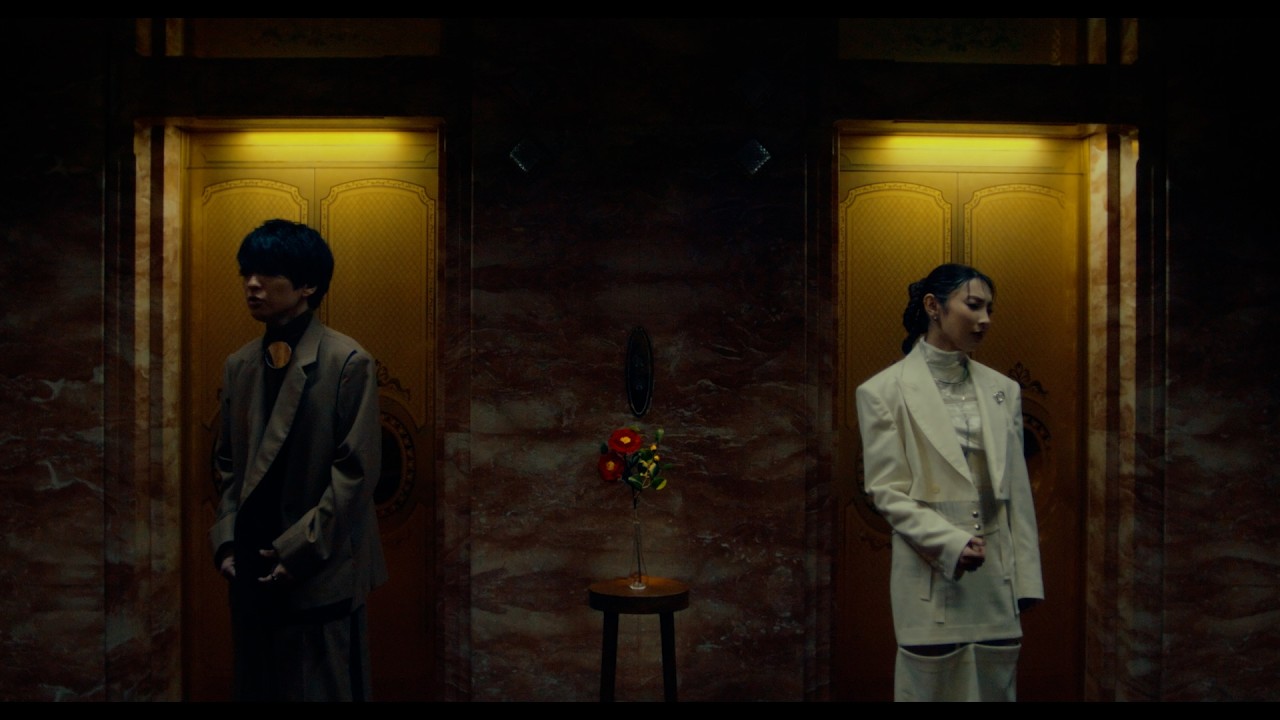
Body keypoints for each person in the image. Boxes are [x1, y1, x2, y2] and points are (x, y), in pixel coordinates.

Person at [209, 219, 387, 701]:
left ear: (307, 285)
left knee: (319, 687)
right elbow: (227, 463)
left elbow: (356, 472)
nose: (252, 284)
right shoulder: (240, 364)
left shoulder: (347, 361)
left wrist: (300, 551)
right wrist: (226, 542)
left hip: (320, 566)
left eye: (267, 273)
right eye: (247, 272)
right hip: (250, 566)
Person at [855, 263, 1043, 702]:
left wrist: (1027, 580)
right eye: (973, 305)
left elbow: (1017, 493)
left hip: (996, 583)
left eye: (990, 309)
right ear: (933, 307)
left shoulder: (1003, 390)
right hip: (930, 579)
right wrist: (951, 544)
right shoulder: (883, 391)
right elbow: (886, 491)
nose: (985, 319)